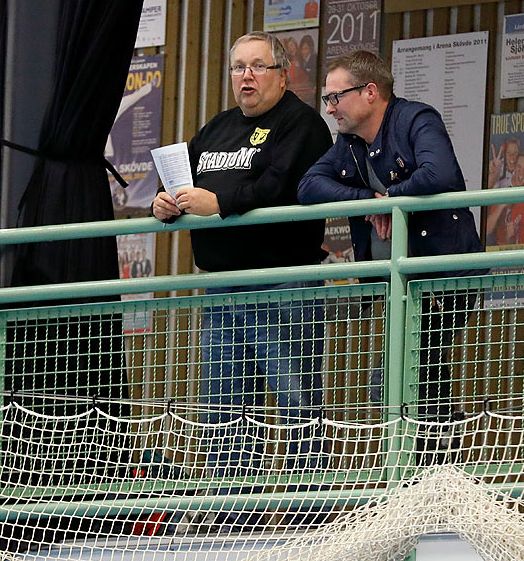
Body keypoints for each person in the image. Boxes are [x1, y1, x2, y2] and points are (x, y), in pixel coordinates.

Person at [152, 32, 332, 486]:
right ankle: (232, 502)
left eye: (257, 66)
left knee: (294, 396)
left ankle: (307, 499)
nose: (246, 76)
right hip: (222, 282)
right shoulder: (218, 127)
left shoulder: (303, 124)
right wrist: (164, 203)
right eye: (237, 67)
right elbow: (183, 180)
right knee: (221, 398)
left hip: (283, 279)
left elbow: (279, 186)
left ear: (282, 74)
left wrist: (219, 204)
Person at [299, 51, 483, 455]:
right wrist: (370, 200)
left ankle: (432, 469)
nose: (329, 109)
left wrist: (392, 199)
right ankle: (430, 470)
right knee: (410, 375)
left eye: (335, 97)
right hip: (396, 283)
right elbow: (308, 186)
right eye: (327, 100)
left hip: (442, 273)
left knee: (408, 372)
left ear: (369, 92)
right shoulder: (348, 144)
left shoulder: (417, 118)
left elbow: (441, 174)